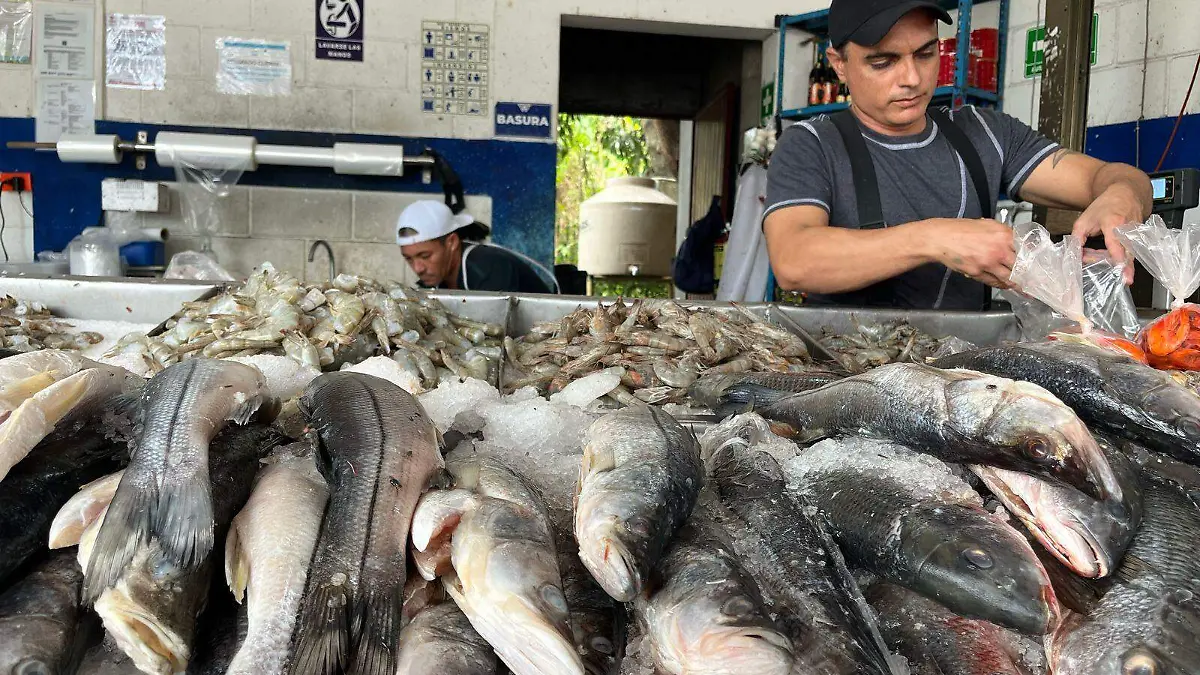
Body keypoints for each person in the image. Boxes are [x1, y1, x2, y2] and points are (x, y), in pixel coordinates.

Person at [763, 0, 1152, 309]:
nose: (911, 79)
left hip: (965, 371)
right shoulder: (811, 145)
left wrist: (1122, 195)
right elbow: (794, 260)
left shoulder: (984, 133)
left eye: (925, 54)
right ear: (839, 65)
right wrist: (936, 238)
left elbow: (1116, 178)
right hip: (853, 371)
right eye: (883, 62)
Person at [396, 200, 558, 294]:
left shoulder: (489, 270)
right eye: (409, 259)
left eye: (425, 256)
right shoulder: (435, 279)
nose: (418, 268)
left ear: (452, 242)